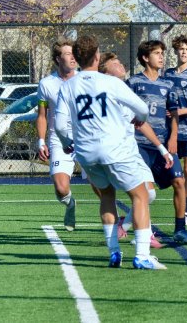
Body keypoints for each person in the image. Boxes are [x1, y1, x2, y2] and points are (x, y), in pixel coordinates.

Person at [54, 34, 166, 270]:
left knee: (107, 197)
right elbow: (142, 109)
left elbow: (60, 124)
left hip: (86, 153)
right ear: (96, 56)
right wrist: (140, 118)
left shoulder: (68, 86)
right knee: (141, 196)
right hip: (115, 150)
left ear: (76, 58)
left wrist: (67, 142)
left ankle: (114, 251)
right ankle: (142, 255)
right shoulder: (111, 83)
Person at [127, 40, 187, 245]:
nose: (161, 57)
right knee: (145, 191)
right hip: (139, 144)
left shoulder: (168, 84)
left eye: (162, 53)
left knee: (179, 181)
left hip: (163, 144)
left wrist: (173, 138)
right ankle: (142, 232)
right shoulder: (133, 83)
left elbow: (173, 114)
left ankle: (180, 229)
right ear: (145, 58)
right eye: (157, 53)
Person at [99, 52, 168, 249]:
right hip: (110, 152)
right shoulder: (103, 91)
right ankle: (136, 243)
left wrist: (161, 148)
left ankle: (130, 227)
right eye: (115, 62)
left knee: (149, 195)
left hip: (130, 151)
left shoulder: (122, 89)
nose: (121, 64)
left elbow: (140, 121)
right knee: (111, 196)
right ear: (104, 70)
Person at [36, 39, 79, 231]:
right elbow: (42, 115)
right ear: (57, 59)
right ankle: (71, 205)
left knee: (100, 187)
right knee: (61, 189)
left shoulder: (85, 79)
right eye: (68, 54)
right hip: (58, 140)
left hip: (85, 138)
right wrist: (41, 141)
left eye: (74, 53)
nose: (73, 57)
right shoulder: (46, 84)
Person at [164, 36, 187, 227]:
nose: (184, 52)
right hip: (172, 130)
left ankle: (186, 209)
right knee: (174, 171)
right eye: (181, 49)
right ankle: (181, 204)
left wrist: (177, 111)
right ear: (176, 51)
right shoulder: (167, 75)